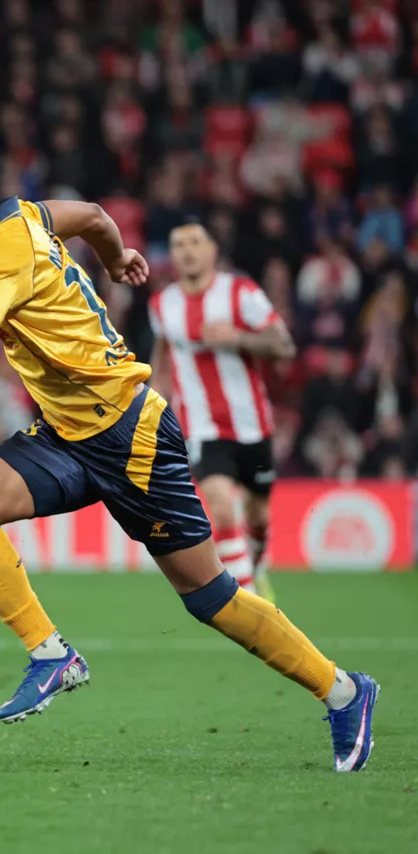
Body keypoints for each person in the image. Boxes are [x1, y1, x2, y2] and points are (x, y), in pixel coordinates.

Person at [0, 146, 378, 772]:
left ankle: (345, 692)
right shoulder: (27, 215)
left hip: (129, 435)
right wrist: (117, 261)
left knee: (209, 596)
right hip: (69, 430)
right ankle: (52, 654)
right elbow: (94, 215)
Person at [149, 222, 294, 602]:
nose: (187, 250)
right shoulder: (163, 304)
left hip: (252, 425)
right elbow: (164, 353)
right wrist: (152, 394)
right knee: (221, 506)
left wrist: (238, 337)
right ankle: (248, 601)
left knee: (258, 515)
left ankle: (257, 568)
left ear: (212, 250)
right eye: (178, 244)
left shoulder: (240, 294)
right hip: (201, 427)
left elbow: (284, 346)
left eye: (195, 242)